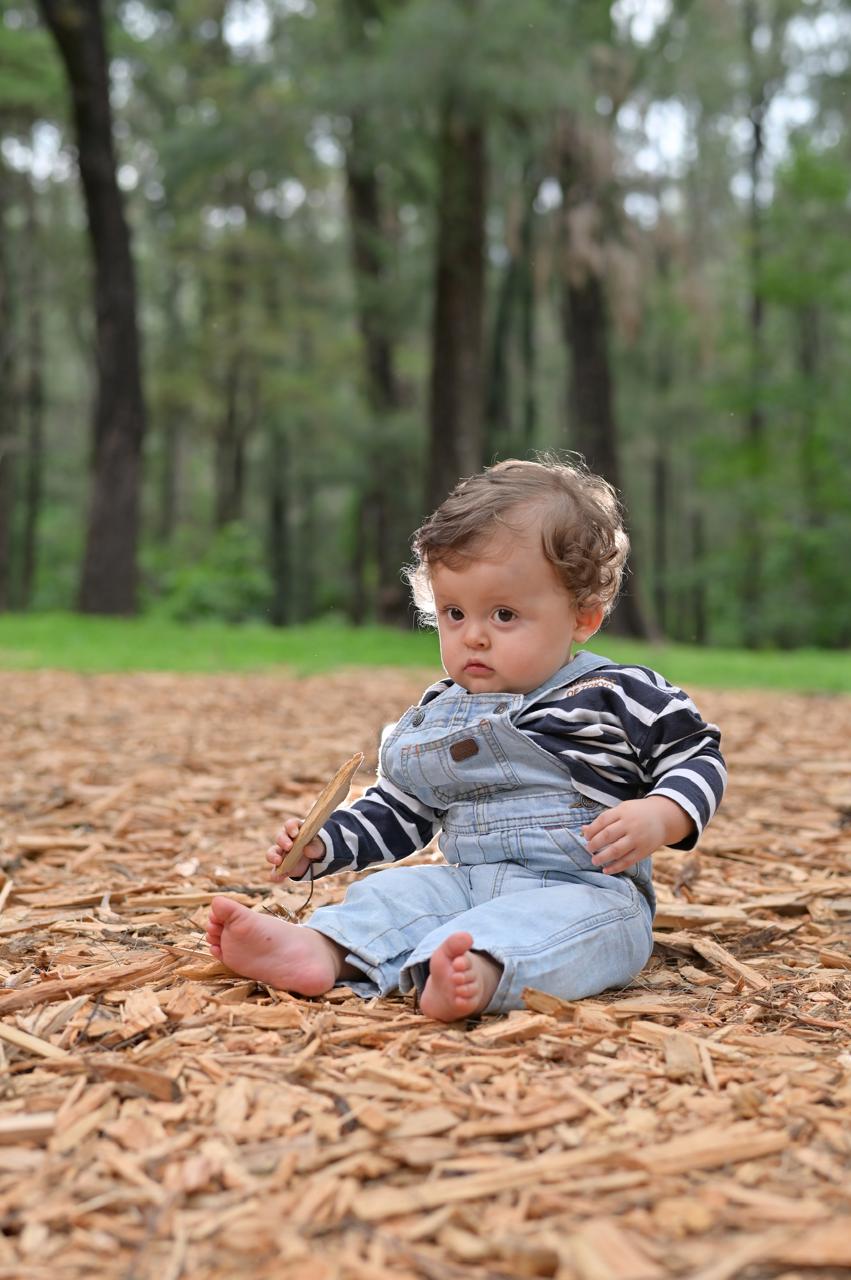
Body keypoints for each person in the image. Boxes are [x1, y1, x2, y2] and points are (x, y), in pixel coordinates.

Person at [207, 457, 725, 1022]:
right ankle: (322, 949)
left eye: (503, 615)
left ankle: (481, 971)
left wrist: (662, 814)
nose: (473, 636)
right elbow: (402, 808)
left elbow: (697, 756)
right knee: (398, 896)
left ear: (583, 617)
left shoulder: (616, 693)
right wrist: (327, 844)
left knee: (565, 929)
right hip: (469, 883)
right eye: (454, 613)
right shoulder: (441, 712)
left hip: (588, 890)